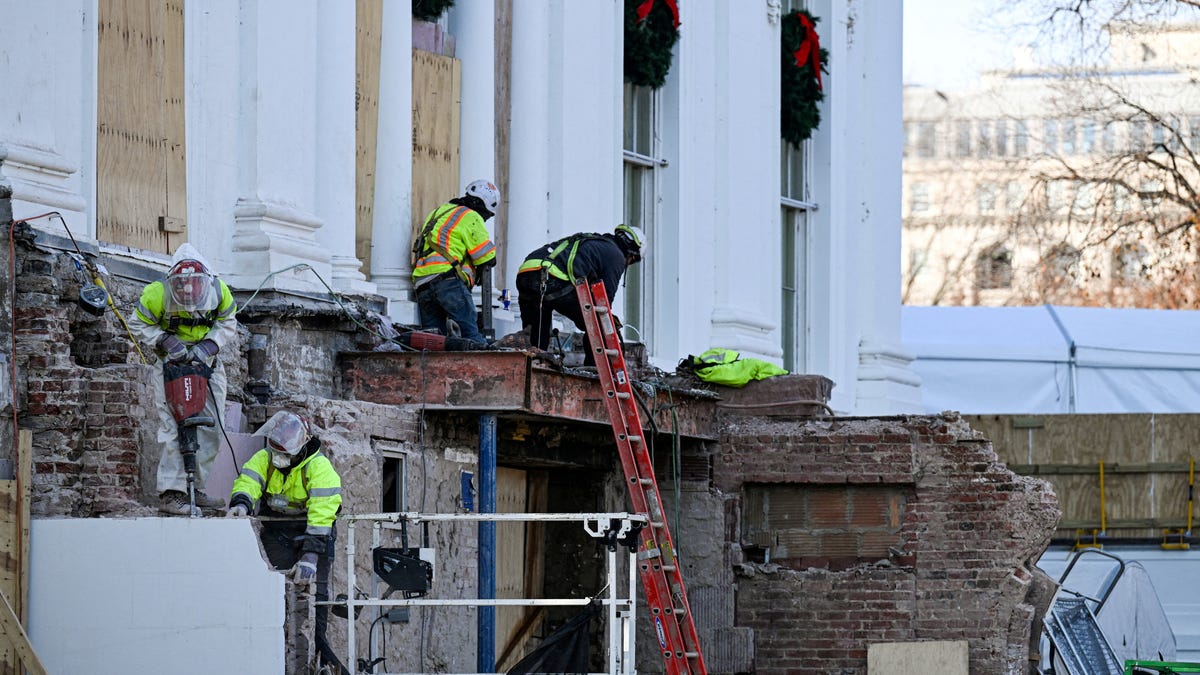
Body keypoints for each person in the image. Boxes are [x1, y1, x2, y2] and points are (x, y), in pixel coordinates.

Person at [227, 411, 344, 672]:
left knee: (317, 599)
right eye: (275, 450)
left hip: (314, 535)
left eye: (284, 453)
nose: (278, 457)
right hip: (277, 533)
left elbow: (322, 515)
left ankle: (319, 659)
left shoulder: (319, 468)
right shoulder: (265, 459)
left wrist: (310, 557)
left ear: (300, 449)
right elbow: (249, 479)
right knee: (273, 593)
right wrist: (241, 504)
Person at [129, 243, 238, 515]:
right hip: (170, 364)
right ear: (173, 285)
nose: (188, 298)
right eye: (182, 292)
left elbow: (228, 321)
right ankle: (171, 492)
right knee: (171, 426)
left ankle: (195, 488)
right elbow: (137, 323)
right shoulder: (156, 294)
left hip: (207, 363)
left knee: (212, 425)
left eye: (194, 292)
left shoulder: (218, 291)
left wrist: (210, 345)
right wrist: (165, 340)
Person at [515, 224, 645, 365]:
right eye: (632, 260)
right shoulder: (616, 255)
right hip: (553, 279)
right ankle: (593, 371)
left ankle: (533, 367)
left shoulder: (595, 242)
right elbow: (603, 302)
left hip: (527, 273)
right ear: (632, 253)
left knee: (536, 336)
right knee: (600, 323)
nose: (629, 263)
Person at [411, 179, 500, 347]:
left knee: (434, 342)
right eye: (486, 215)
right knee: (470, 333)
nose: (484, 219)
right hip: (447, 281)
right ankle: (485, 365)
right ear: (481, 205)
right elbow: (487, 256)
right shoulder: (470, 215)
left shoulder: (440, 211)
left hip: (422, 283)